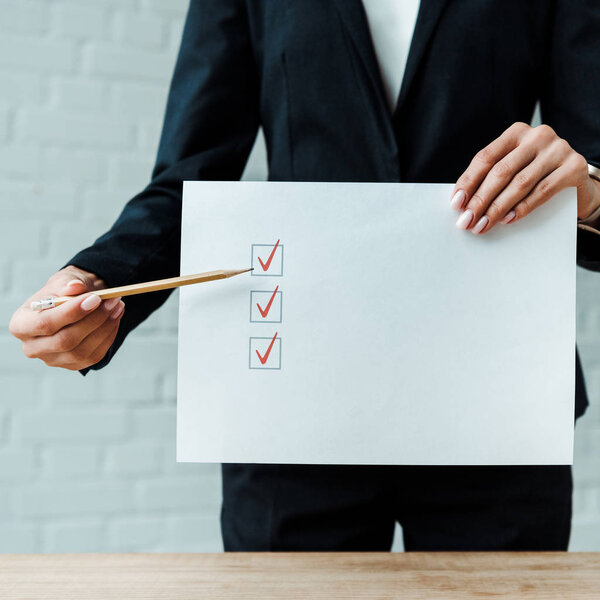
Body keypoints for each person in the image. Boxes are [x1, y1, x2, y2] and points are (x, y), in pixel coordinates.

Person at [9, 0, 600, 551]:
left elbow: (588, 177)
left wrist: (588, 193)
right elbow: (188, 180)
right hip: (293, 406)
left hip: (494, 399)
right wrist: (93, 281)